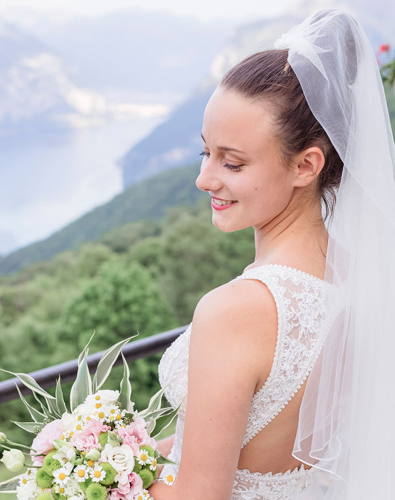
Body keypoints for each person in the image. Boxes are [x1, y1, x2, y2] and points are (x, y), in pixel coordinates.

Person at [148, 8, 395, 500]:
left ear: (306, 165)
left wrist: (94, 479)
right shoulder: (360, 275)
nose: (205, 179)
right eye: (206, 152)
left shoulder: (236, 310)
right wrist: (123, 449)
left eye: (232, 163)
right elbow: (242, 440)